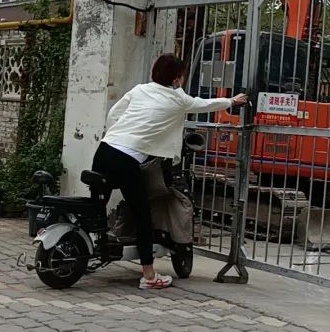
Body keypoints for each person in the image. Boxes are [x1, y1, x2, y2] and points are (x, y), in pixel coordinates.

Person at [94, 54, 248, 290]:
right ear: (177, 79)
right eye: (182, 75)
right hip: (125, 159)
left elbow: (114, 114)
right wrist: (232, 101)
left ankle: (92, 248)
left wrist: (121, 134)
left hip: (104, 150)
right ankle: (149, 276)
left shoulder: (140, 89)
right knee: (142, 213)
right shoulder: (178, 99)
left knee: (96, 206)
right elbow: (204, 104)